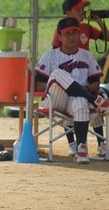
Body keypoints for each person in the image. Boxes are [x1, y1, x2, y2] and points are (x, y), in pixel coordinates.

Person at [36, 17, 109, 164]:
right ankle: (94, 100)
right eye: (67, 33)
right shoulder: (50, 56)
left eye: (75, 33)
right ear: (59, 36)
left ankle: (81, 149)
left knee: (80, 101)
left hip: (76, 99)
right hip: (55, 100)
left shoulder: (87, 55)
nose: (72, 37)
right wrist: (64, 84)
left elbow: (96, 82)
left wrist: (88, 88)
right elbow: (38, 86)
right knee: (57, 73)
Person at [52, 0, 109, 157]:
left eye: (83, 9)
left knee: (94, 107)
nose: (82, 12)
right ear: (68, 12)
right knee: (70, 108)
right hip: (69, 73)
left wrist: (99, 22)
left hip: (86, 72)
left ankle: (101, 143)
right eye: (78, 9)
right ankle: (72, 142)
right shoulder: (62, 29)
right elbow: (56, 54)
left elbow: (107, 37)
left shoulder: (86, 27)